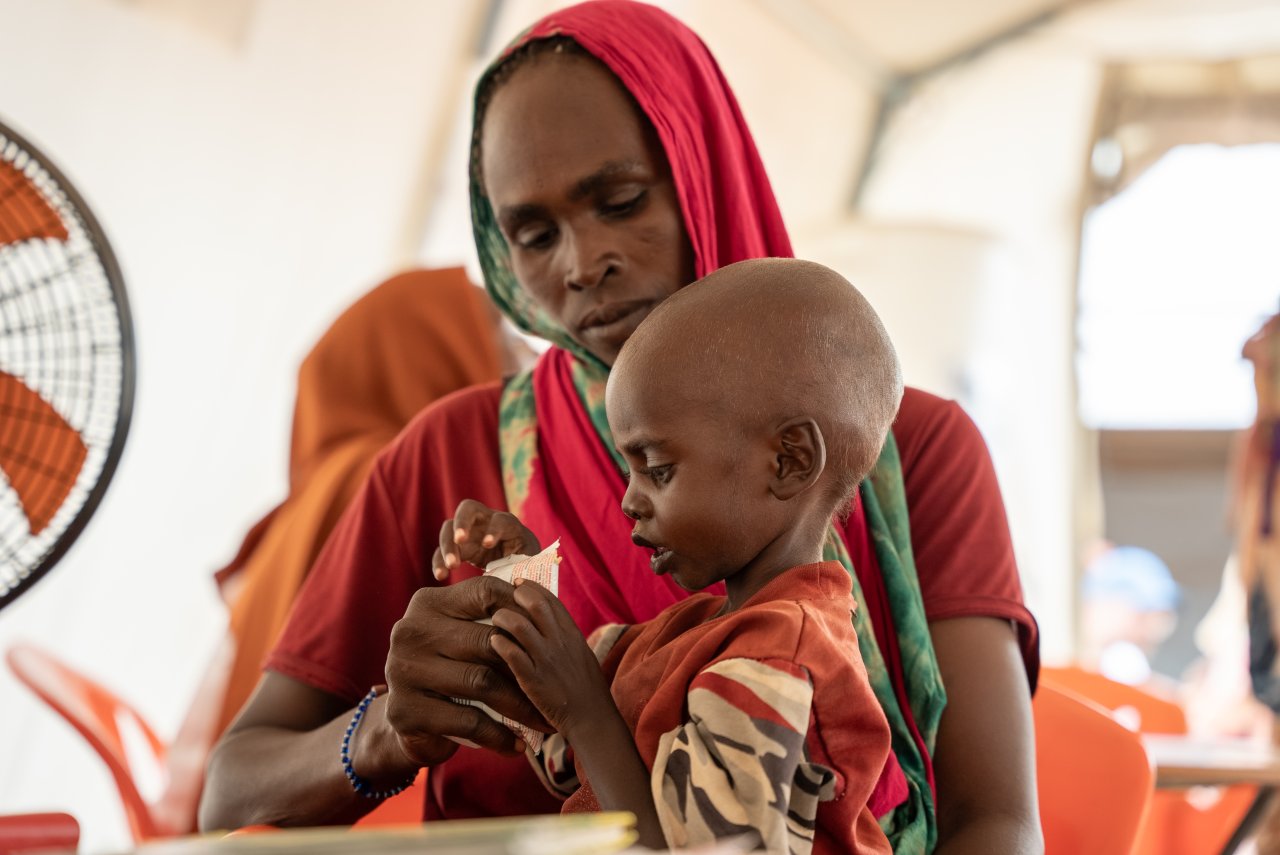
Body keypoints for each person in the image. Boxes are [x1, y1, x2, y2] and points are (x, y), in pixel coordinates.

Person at [200, 3, 1041, 852]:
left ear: (708, 170)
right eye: (532, 232)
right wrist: (389, 730)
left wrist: (577, 697)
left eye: (622, 200)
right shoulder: (449, 453)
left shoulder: (915, 451)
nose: (581, 262)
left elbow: (995, 822)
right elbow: (229, 790)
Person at [472, 257, 901, 853]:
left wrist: (586, 712)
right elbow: (566, 757)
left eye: (657, 469)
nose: (627, 500)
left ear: (789, 462)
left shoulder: (784, 660)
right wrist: (517, 583)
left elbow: (696, 848)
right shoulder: (690, 633)